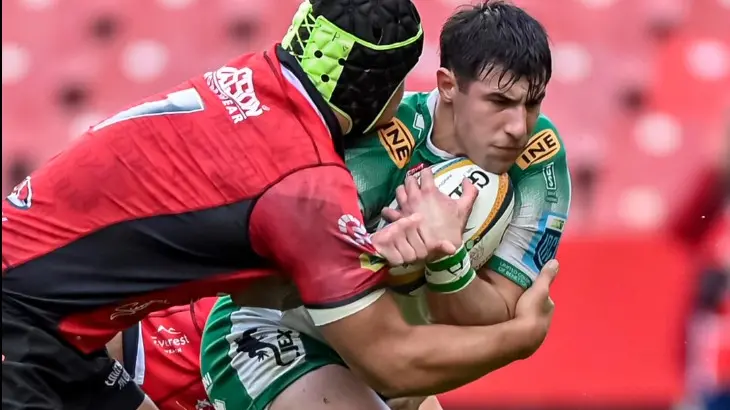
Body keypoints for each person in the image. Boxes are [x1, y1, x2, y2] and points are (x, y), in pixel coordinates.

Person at [1, 1, 556, 409]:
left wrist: (369, 257)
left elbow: (262, 282)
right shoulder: (305, 181)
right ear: (378, 90)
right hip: (21, 323)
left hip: (58, 327)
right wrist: (518, 338)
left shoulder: (252, 75)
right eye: (401, 87)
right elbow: (390, 361)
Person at [199, 2, 568, 410]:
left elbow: (496, 314)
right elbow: (270, 287)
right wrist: (372, 258)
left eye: (532, 103)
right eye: (498, 102)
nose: (519, 127)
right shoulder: (378, 139)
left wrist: (448, 260)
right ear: (447, 85)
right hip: (272, 334)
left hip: (388, 353)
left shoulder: (539, 159)